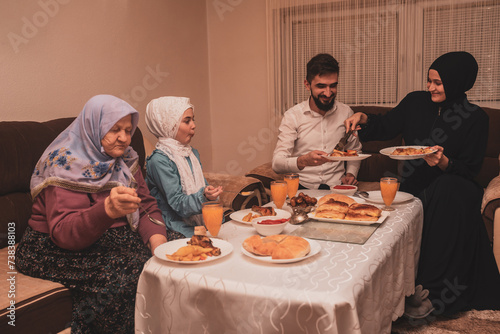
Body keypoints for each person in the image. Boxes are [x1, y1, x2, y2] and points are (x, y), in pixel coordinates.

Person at [345, 51, 500, 317]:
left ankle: (433, 293)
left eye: (438, 83)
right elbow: (385, 126)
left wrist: (442, 162)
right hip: (415, 186)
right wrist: (363, 117)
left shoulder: (476, 118)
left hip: (457, 189)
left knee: (448, 188)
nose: (430, 87)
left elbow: (470, 170)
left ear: (456, 82)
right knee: (413, 196)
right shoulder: (415, 102)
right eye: (429, 80)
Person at [15, 95, 182, 333]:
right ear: (95, 127)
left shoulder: (125, 159)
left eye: (127, 130)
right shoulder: (64, 164)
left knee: (179, 248)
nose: (124, 138)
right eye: (114, 130)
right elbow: (65, 233)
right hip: (51, 245)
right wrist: (107, 211)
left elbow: (146, 207)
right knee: (128, 270)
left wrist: (159, 248)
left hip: (109, 234)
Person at [272, 53, 362, 190]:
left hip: (337, 187)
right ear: (307, 85)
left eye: (333, 86)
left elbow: (355, 150)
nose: (328, 93)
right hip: (302, 187)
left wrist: (350, 174)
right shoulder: (292, 116)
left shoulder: (347, 113)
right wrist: (303, 161)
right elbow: (277, 164)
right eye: (321, 86)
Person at [145, 96, 223, 237]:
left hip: (198, 221)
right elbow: (177, 204)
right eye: (187, 121)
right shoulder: (159, 161)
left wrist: (210, 194)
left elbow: (202, 188)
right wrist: (204, 196)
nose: (193, 125)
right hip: (174, 226)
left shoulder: (192, 153)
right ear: (168, 125)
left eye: (193, 119)